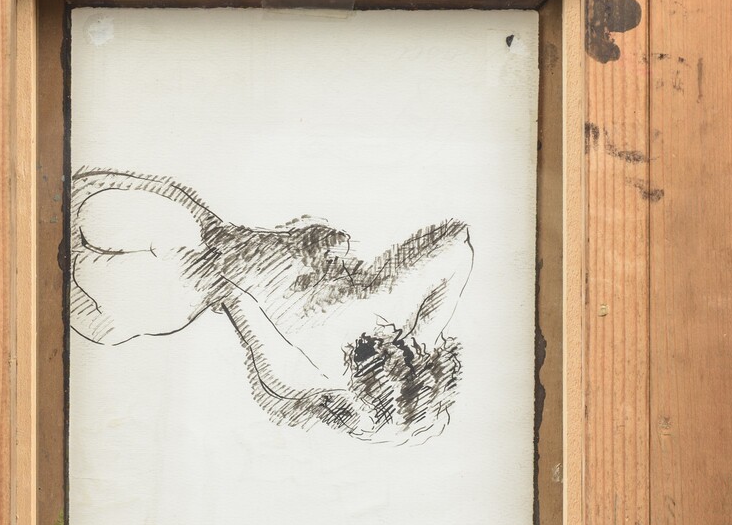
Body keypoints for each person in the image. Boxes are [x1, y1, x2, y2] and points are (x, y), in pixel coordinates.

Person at [70, 169, 473, 444]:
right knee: (95, 220)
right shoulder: (387, 309)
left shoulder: (308, 373)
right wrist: (425, 330)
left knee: (108, 279)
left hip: (193, 270)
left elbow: (232, 293)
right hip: (208, 247)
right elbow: (457, 241)